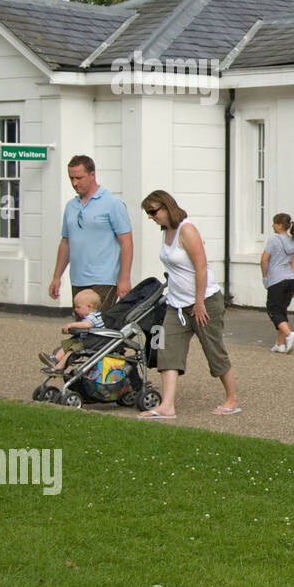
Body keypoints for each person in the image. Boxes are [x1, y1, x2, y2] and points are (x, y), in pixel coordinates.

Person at [140, 190, 240, 419]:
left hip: (204, 302)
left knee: (213, 349)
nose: (151, 217)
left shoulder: (187, 229)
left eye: (153, 211)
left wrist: (199, 303)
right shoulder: (166, 231)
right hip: (176, 305)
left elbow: (201, 266)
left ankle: (232, 398)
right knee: (166, 349)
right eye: (148, 213)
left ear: (166, 207)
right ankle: (167, 406)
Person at [48, 155, 134, 310]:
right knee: (82, 328)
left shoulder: (112, 203)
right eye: (71, 178)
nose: (74, 183)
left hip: (104, 280)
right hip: (78, 279)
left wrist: (125, 278)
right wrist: (56, 277)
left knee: (98, 327)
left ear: (92, 175)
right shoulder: (71, 206)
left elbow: (126, 241)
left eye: (79, 178)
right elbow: (66, 243)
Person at [261, 212, 294, 354]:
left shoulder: (274, 240)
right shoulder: (293, 242)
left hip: (276, 279)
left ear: (279, 225)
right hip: (289, 279)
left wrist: (265, 277)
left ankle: (289, 335)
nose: (272, 226)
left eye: (274, 223)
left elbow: (264, 259)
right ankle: (280, 343)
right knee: (282, 311)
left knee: (273, 309)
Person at [40, 288, 106, 370]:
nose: (76, 309)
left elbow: (87, 325)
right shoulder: (92, 315)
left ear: (89, 306)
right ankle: (55, 359)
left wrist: (72, 325)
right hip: (87, 340)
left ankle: (60, 366)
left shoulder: (93, 317)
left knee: (71, 350)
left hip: (94, 342)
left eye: (78, 307)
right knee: (68, 343)